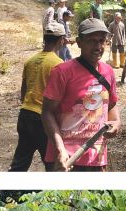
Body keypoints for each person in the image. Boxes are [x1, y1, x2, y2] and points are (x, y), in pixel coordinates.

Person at [42, 18, 121, 172]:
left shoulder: (108, 72)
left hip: (96, 157)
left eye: (101, 41)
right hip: (66, 158)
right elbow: (47, 112)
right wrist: (60, 149)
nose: (98, 46)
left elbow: (111, 104)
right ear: (79, 42)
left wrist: (116, 123)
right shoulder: (62, 72)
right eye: (91, 41)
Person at [9, 22, 66, 171]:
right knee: (52, 164)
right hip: (42, 120)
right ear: (61, 40)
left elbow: (23, 92)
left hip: (24, 114)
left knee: (20, 163)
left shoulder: (30, 61)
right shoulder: (59, 64)